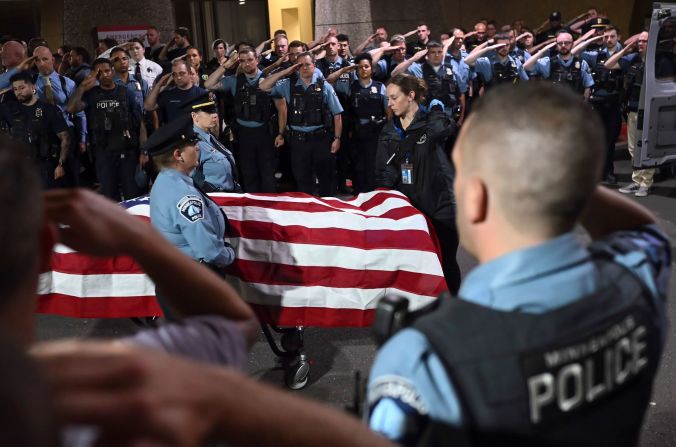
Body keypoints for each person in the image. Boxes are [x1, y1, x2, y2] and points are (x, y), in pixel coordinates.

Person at [368, 82, 670, 446]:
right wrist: (562, 178)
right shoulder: (636, 277)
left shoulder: (422, 360)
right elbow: (646, 231)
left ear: (476, 197)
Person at [375, 74, 460, 293]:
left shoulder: (433, 123)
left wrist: (440, 117)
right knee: (414, 266)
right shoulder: (388, 131)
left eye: (394, 97)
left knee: (445, 263)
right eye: (388, 99)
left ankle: (455, 314)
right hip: (410, 212)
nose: (389, 103)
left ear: (411, 96)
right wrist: (382, 200)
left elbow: (448, 129)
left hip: (442, 207)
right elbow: (384, 171)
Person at [66, 58, 146, 201]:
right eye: (99, 73)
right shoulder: (91, 95)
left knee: (132, 196)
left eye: (107, 70)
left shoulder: (126, 93)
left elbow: (140, 124)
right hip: (104, 153)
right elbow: (71, 108)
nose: (104, 75)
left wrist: (144, 151)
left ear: (113, 71)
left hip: (127, 151)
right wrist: (83, 86)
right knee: (109, 197)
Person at [268, 52, 344, 196]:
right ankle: (308, 213)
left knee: (326, 180)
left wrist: (337, 138)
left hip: (321, 140)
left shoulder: (325, 86)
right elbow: (264, 86)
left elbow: (337, 114)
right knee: (302, 181)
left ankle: (327, 212)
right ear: (296, 67)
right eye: (300, 65)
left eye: (308, 64)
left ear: (314, 66)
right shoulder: (287, 85)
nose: (304, 68)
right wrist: (284, 72)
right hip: (298, 142)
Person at [205, 47, 277, 192]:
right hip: (243, 134)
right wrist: (226, 64)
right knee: (248, 174)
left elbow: (282, 108)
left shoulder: (268, 79)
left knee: (267, 173)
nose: (247, 64)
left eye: (250, 60)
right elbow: (208, 84)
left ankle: (269, 208)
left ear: (257, 60)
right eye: (242, 61)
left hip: (265, 133)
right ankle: (252, 210)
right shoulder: (234, 81)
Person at [0, 71, 70, 188]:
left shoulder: (49, 110)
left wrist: (60, 165)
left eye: (22, 88)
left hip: (45, 166)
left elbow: (65, 138)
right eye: (15, 89)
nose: (18, 92)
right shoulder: (9, 109)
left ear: (32, 87)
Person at [605, 31, 654, 197]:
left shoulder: (658, 60)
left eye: (644, 41)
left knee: (646, 147)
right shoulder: (632, 58)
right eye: (639, 41)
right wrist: (625, 50)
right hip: (633, 109)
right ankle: (636, 180)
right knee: (633, 149)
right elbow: (608, 65)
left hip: (650, 110)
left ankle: (645, 183)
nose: (640, 44)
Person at [331, 53, 388, 193]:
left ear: (372, 69)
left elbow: (388, 112)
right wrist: (345, 70)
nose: (364, 69)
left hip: (375, 133)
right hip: (356, 133)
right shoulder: (350, 86)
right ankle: (358, 195)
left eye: (366, 66)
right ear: (356, 70)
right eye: (360, 67)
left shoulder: (380, 87)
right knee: (358, 166)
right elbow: (328, 81)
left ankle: (373, 195)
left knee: (372, 166)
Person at [182, 93, 240, 193]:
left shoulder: (210, 136)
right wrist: (206, 191)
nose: (215, 115)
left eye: (214, 111)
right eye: (208, 112)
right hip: (213, 197)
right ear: (194, 116)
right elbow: (187, 174)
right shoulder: (193, 142)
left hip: (228, 194)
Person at [524, 31, 594, 99]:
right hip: (554, 107)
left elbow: (587, 87)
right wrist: (543, 50)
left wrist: (583, 106)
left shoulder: (582, 63)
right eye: (560, 43)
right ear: (556, 45)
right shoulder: (548, 62)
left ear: (572, 44)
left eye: (566, 43)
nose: (563, 45)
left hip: (574, 107)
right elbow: (526, 67)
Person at [144, 59, 207, 126]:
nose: (178, 77)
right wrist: (159, 84)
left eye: (182, 73)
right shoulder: (168, 95)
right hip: (174, 135)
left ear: (190, 74)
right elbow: (148, 106)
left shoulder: (202, 94)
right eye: (174, 74)